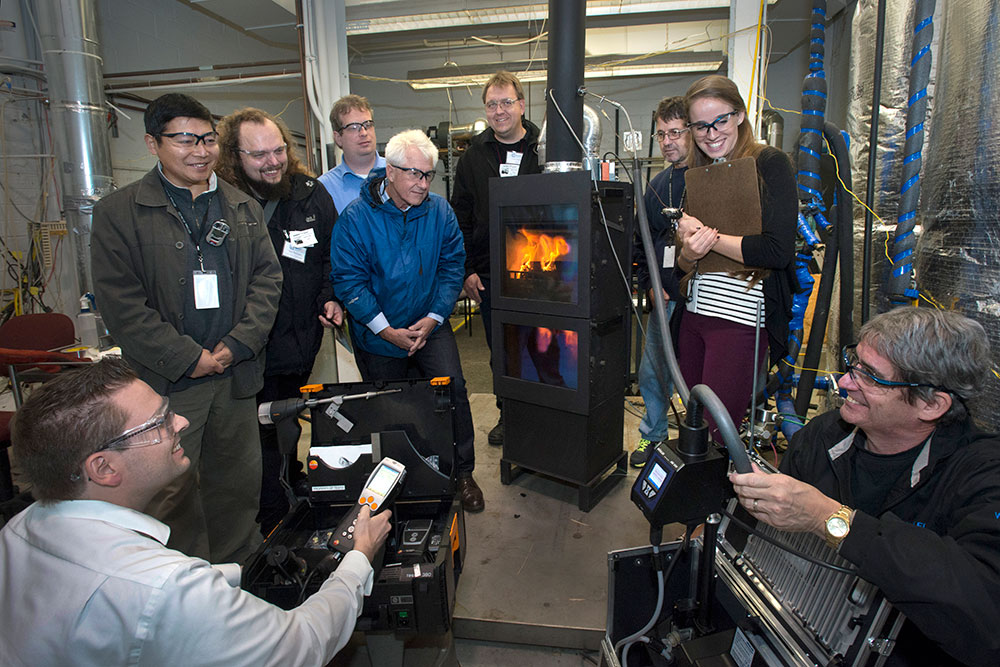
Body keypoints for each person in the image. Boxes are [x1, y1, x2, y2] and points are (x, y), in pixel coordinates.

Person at [0, 357, 391, 665]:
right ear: (104, 468)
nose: (182, 423)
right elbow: (302, 645)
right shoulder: (169, 589)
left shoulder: (19, 528)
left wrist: (246, 574)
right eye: (159, 423)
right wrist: (358, 560)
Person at [730, 306, 1000, 667]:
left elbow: (985, 616)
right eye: (853, 363)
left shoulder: (983, 475)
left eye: (871, 377)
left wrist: (830, 519)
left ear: (932, 404)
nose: (844, 382)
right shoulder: (824, 435)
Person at [91, 93, 282, 563]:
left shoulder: (241, 207)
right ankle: (182, 583)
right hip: (168, 386)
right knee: (171, 494)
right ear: (153, 144)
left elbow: (267, 279)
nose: (200, 150)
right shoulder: (120, 213)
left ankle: (236, 574)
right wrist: (188, 357)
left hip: (234, 377)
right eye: (184, 139)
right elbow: (122, 304)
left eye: (207, 138)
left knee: (237, 484)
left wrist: (235, 345)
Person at [332, 129, 484, 513]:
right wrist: (384, 329)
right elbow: (350, 281)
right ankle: (404, 478)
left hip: (429, 327)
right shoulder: (355, 219)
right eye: (415, 174)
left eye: (429, 175)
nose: (423, 183)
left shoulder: (440, 211)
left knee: (454, 393)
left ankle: (462, 473)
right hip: (379, 335)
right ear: (390, 171)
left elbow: (452, 267)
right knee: (393, 409)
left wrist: (434, 318)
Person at [216, 107, 342, 535]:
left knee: (288, 418)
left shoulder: (310, 193)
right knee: (258, 428)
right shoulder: (222, 201)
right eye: (259, 155)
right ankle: (269, 509)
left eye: (278, 150)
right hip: (254, 346)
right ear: (235, 156)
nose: (272, 161)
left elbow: (330, 257)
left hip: (302, 338)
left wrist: (330, 299)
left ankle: (291, 482)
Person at [674, 75, 796, 441]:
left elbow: (776, 250)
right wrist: (688, 252)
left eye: (720, 121)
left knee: (717, 431)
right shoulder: (697, 174)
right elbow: (684, 265)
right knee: (692, 423)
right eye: (700, 126)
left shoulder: (769, 163)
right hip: (694, 316)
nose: (711, 134)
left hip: (738, 319)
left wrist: (708, 240)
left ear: (740, 115)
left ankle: (719, 494)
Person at [451, 70, 542, 447]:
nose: (500, 110)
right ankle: (510, 415)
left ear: (522, 104)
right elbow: (461, 217)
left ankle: (544, 412)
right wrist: (467, 271)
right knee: (502, 351)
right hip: (490, 274)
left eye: (507, 102)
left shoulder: (545, 149)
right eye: (492, 104)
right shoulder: (473, 156)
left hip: (542, 273)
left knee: (543, 345)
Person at [631, 96, 692, 469]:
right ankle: (652, 435)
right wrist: (649, 285)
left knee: (698, 374)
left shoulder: (711, 179)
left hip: (703, 299)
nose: (668, 141)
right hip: (665, 297)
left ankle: (699, 442)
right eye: (662, 134)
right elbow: (642, 243)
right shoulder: (656, 187)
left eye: (675, 132)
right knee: (653, 371)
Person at [318, 94, 385, 214]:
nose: (364, 132)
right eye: (353, 127)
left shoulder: (399, 173)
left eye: (368, 125)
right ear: (338, 138)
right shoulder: (323, 188)